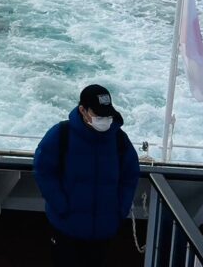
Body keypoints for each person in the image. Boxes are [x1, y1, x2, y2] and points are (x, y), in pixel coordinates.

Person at [33, 84, 140, 266]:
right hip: (67, 228)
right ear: (83, 110)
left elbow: (130, 176)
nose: (104, 120)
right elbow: (43, 171)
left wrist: (120, 209)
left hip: (104, 230)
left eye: (107, 115)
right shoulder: (61, 134)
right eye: (98, 115)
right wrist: (61, 206)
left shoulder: (119, 139)